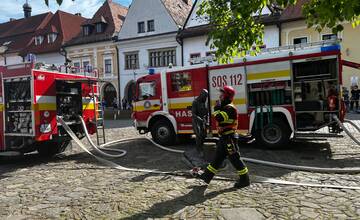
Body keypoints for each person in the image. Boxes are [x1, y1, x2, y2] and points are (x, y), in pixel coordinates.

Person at [192, 86, 250, 188]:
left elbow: (219, 117)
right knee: (217, 159)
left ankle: (245, 180)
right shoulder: (225, 107)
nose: (219, 96)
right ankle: (206, 176)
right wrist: (218, 107)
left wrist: (216, 108)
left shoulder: (229, 108)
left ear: (226, 96)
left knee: (235, 159)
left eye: (222, 94)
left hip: (229, 138)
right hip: (224, 138)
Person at [191, 89, 209, 154]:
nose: (206, 98)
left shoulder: (204, 102)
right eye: (205, 96)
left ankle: (203, 148)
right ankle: (198, 150)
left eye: (206, 96)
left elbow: (207, 113)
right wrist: (200, 120)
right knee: (198, 135)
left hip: (202, 120)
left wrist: (207, 121)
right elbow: (193, 114)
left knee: (204, 135)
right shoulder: (195, 102)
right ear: (201, 95)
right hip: (196, 121)